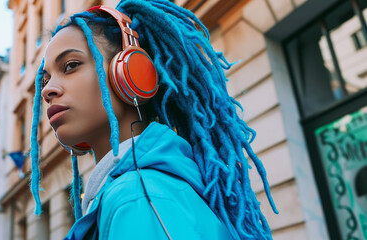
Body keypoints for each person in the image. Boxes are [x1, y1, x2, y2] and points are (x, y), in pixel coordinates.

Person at [30, 0, 278, 239]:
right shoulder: (135, 190)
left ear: (131, 73)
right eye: (45, 79)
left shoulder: (135, 196)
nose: (47, 90)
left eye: (71, 65)